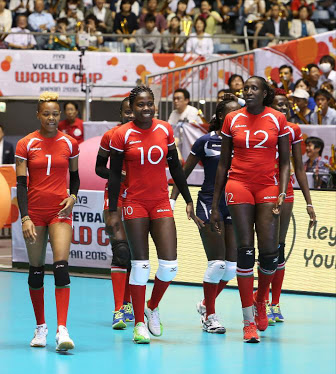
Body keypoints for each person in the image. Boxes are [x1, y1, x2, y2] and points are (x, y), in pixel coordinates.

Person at [107, 86, 201, 344]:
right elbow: (114, 175)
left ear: (155, 106)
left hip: (160, 201)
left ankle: (152, 305)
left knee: (170, 266)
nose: (145, 108)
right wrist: (113, 211)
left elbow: (176, 168)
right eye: (140, 105)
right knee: (140, 266)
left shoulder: (164, 129)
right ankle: (139, 323)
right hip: (134, 203)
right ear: (132, 107)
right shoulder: (121, 135)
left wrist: (188, 198)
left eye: (149, 104)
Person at [210, 76, 291, 343]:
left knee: (270, 253)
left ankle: (260, 300)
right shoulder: (232, 119)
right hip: (239, 184)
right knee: (245, 251)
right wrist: (214, 204)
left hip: (268, 187)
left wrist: (281, 192)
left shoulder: (277, 119)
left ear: (265, 92)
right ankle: (247, 322)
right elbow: (222, 164)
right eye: (246, 88)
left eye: (254, 88)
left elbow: (285, 163)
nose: (248, 91)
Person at [15, 92, 80, 351]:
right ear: (38, 115)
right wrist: (25, 217)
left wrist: (73, 196)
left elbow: (74, 178)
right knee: (36, 270)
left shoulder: (70, 143)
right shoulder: (26, 144)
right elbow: (20, 185)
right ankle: (40, 327)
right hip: (35, 213)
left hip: (60, 212)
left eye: (55, 114)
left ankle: (61, 329)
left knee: (61, 266)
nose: (51, 118)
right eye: (46, 114)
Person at [170, 99, 241, 334]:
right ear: (220, 115)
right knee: (217, 262)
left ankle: (203, 304)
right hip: (209, 202)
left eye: (238, 112)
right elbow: (183, 172)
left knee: (231, 268)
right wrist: (174, 201)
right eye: (230, 112)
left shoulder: (243, 141)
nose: (235, 116)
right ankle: (210, 315)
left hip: (234, 203)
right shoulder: (205, 141)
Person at [267, 88, 316, 323]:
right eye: (279, 104)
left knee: (279, 247)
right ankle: (260, 300)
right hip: (261, 191)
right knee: (263, 249)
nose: (284, 108)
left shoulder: (293, 129)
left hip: (284, 193)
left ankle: (274, 302)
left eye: (286, 105)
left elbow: (299, 168)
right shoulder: (260, 128)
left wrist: (309, 201)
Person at [95, 97, 135, 330]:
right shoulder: (111, 136)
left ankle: (130, 304)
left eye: (134, 111)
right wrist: (117, 175)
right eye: (127, 112)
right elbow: (99, 167)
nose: (130, 115)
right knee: (120, 250)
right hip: (116, 195)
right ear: (120, 113)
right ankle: (119, 309)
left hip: (141, 197)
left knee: (135, 255)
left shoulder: (149, 134)